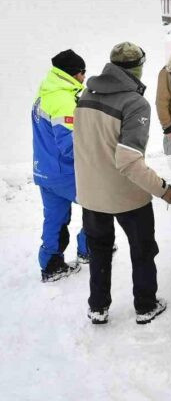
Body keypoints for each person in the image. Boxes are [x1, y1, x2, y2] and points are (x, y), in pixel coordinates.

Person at [74, 42, 171, 325]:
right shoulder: (135, 103)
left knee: (99, 250)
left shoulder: (86, 95)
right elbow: (129, 161)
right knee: (143, 250)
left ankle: (98, 307)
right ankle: (145, 305)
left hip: (91, 194)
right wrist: (163, 190)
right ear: (138, 68)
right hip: (127, 196)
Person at [32, 49, 88, 282]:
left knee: (54, 218)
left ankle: (51, 264)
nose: (85, 77)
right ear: (74, 74)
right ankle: (89, 250)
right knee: (97, 207)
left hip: (44, 171)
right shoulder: (64, 99)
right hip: (66, 173)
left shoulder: (44, 93)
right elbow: (70, 145)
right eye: (83, 72)